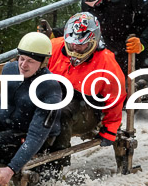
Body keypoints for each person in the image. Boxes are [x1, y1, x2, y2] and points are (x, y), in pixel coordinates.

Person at [0, 32, 62, 186]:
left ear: (43, 63)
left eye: (30, 61)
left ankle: (19, 169)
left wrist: (11, 168)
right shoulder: (9, 70)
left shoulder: (50, 88)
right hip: (13, 122)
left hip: (37, 135)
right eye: (22, 59)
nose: (23, 65)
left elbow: (37, 135)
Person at [47, 12, 127, 152]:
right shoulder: (53, 47)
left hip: (87, 108)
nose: (76, 48)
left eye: (82, 44)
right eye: (72, 43)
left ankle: (57, 165)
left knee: (62, 114)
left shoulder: (106, 63)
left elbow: (115, 98)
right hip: (54, 95)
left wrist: (110, 129)